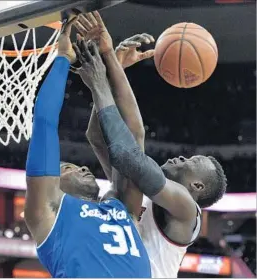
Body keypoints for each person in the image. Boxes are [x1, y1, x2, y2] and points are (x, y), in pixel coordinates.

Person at [73, 12, 227, 278]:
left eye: (192, 162)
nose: (182, 157)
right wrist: (112, 70)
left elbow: (130, 152)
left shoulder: (187, 210)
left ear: (197, 187)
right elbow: (97, 136)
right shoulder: (139, 190)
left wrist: (109, 63)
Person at [24, 16, 151, 278]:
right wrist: (62, 59)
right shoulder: (47, 214)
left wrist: (111, 62)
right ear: (50, 184)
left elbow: (134, 137)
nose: (82, 166)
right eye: (67, 166)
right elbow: (45, 123)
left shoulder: (119, 205)